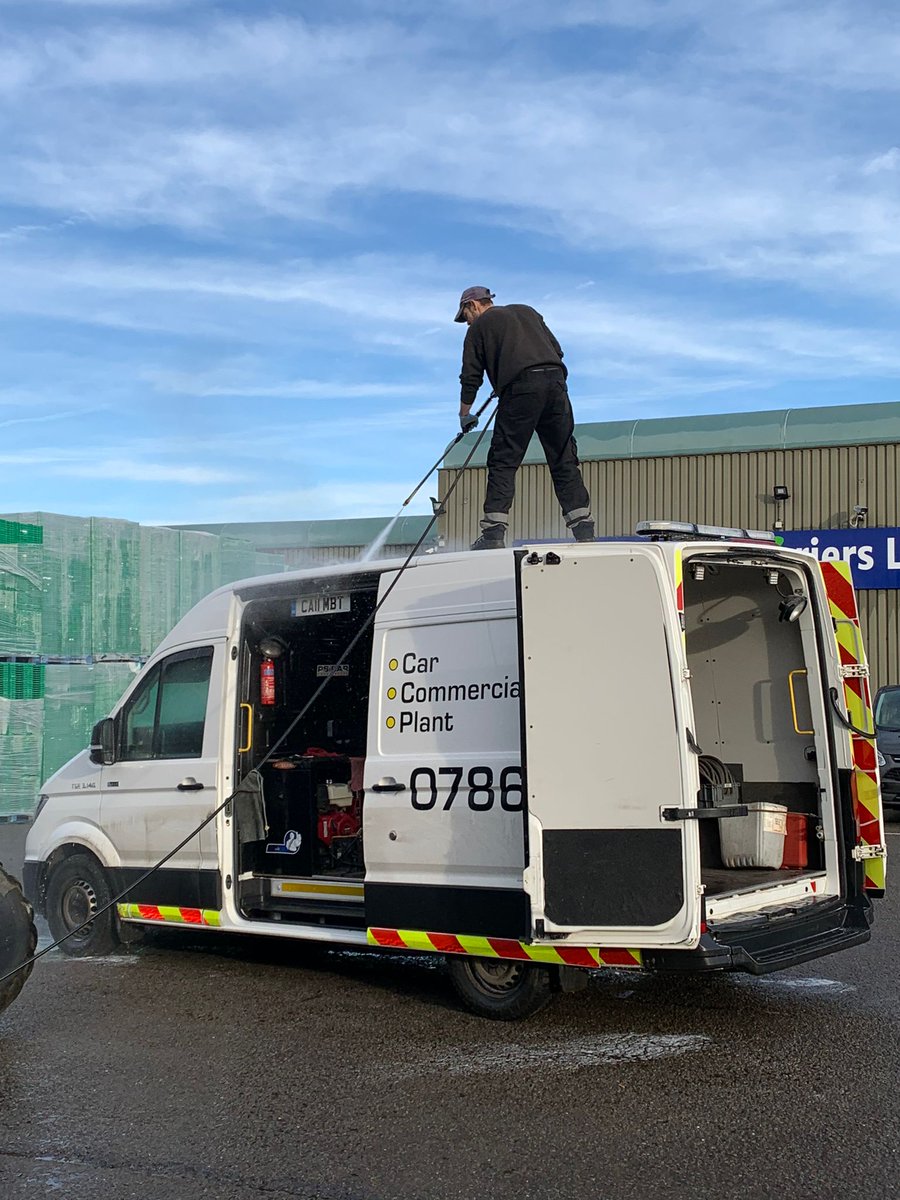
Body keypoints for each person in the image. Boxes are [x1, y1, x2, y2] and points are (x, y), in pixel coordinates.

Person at [455, 286, 595, 550]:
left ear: (473, 305)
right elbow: (557, 351)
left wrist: (465, 414)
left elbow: (471, 376)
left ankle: (493, 535)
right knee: (564, 458)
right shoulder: (527, 312)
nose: (467, 323)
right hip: (556, 385)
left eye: (465, 316)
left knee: (504, 459)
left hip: (520, 390)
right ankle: (584, 530)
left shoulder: (478, 328)